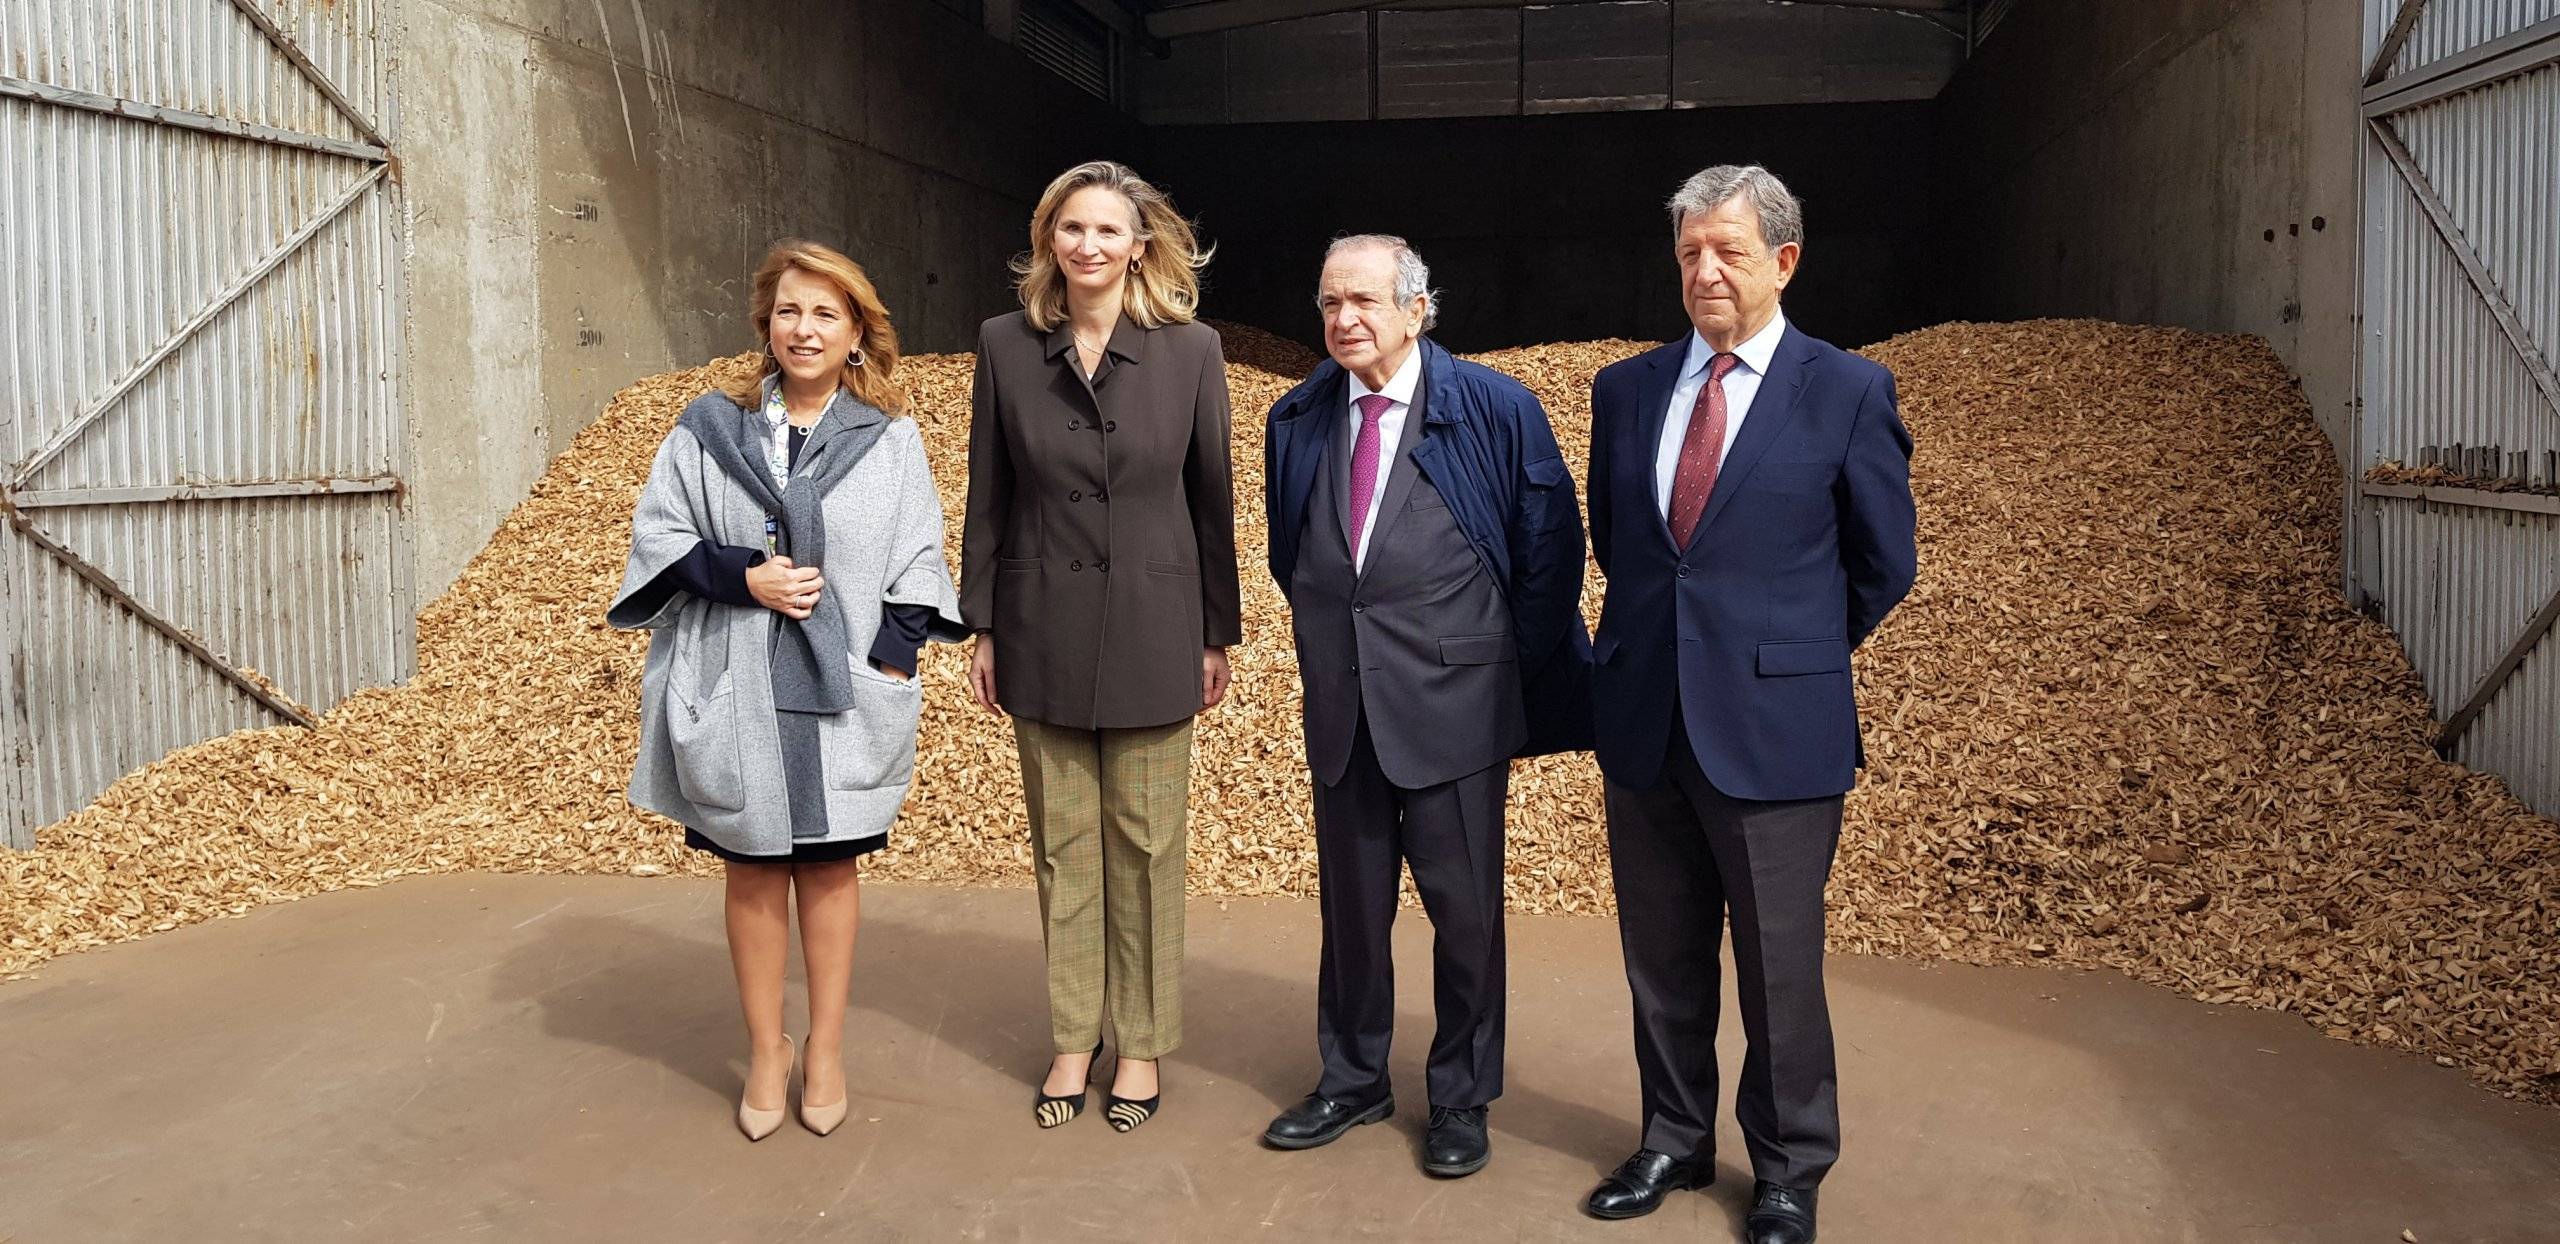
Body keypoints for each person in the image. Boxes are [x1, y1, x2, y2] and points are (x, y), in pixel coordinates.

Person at [1581, 166, 1917, 1241]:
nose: (1704, 270)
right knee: (1661, 957)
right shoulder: (1626, 390)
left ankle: (1787, 1167)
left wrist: (1789, 652)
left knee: (1778, 965)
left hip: (1776, 728)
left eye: (1726, 250)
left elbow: (1884, 560)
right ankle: (1673, 1137)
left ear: (1783, 259)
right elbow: (1621, 544)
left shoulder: (1846, 389)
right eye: (1687, 252)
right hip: (1645, 720)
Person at [608, 240, 966, 1142]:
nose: (803, 329)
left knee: (830, 863)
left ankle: (828, 1047)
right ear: (766, 325)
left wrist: (891, 656)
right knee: (756, 866)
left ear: (857, 334)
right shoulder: (707, 428)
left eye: (825, 314)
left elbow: (919, 556)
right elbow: (661, 536)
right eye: (789, 311)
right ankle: (767, 1049)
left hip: (843, 692)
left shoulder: (888, 439)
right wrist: (744, 578)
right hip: (735, 681)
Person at [1258, 235, 1591, 1178]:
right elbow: (1298, 558)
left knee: (1466, 915)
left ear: (1417, 309)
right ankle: (1354, 1077)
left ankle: (1461, 1097)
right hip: (1345, 704)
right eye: (1328, 303)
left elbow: (1548, 551)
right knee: (1352, 913)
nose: (1343, 321)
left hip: (1457, 704)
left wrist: (1498, 669)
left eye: (1363, 301)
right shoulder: (1299, 416)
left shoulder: (1493, 408)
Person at [961, 160, 1241, 1133]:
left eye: (1107, 231)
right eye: (1070, 229)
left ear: (1141, 245)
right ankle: (1073, 1035)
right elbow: (986, 494)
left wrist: (1217, 631)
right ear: (1049, 241)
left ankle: (1145, 1044)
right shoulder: (1004, 345)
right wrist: (982, 624)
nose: (1088, 246)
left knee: (1150, 845)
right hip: (1038, 627)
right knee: (1062, 847)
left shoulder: (1192, 351)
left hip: (1158, 631)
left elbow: (1213, 502)